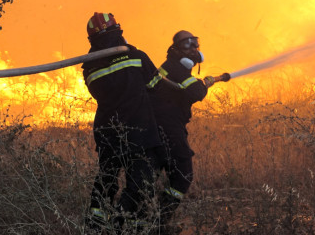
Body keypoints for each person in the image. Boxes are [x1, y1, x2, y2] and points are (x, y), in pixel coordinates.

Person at [81, 12, 163, 233]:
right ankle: (119, 223)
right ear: (118, 30)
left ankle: (94, 225)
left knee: (106, 178)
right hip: (139, 132)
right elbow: (157, 89)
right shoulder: (137, 57)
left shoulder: (89, 67)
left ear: (92, 39)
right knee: (139, 183)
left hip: (108, 132)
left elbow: (101, 91)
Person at [151, 30, 224, 235]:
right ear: (176, 49)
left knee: (151, 175)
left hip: (158, 127)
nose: (193, 49)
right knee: (183, 174)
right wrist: (205, 84)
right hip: (168, 127)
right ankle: (158, 224)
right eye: (187, 45)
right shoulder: (175, 68)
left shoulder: (171, 67)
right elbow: (195, 93)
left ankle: (146, 222)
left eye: (195, 44)